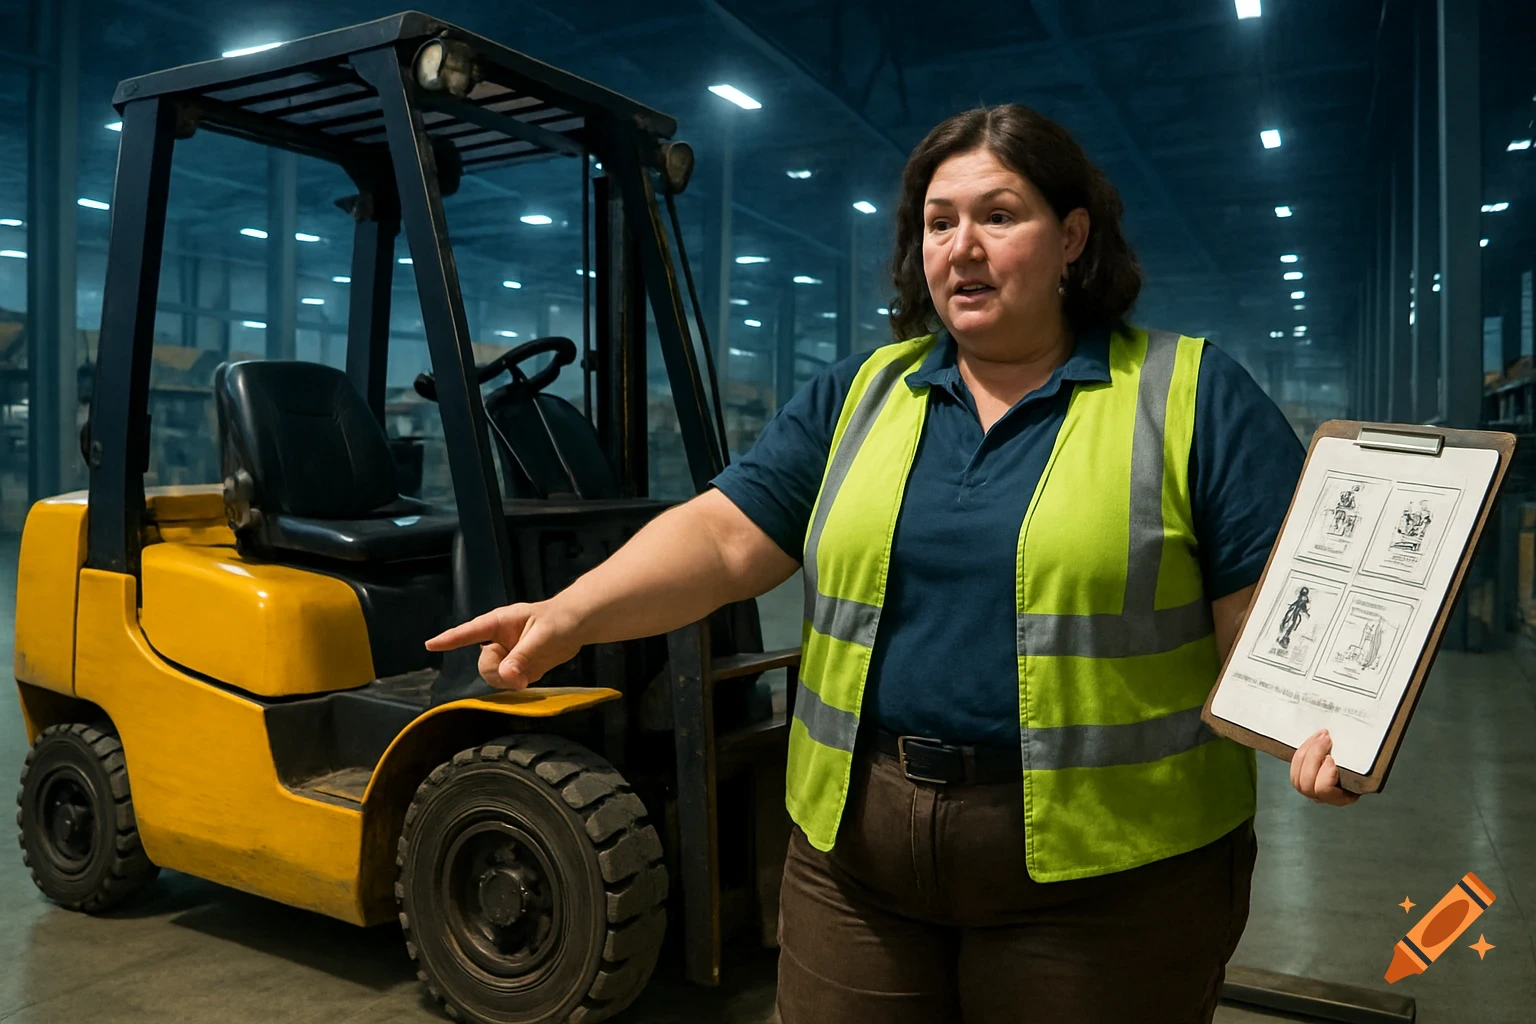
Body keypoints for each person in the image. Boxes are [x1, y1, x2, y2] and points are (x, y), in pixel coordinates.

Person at [428, 104, 1358, 1024]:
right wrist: (573, 610)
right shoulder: (863, 394)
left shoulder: (1187, 394)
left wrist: (1324, 718)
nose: (962, 246)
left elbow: (1272, 613)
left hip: (1114, 879)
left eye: (999, 215)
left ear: (1074, 236)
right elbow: (722, 536)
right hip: (857, 867)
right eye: (939, 222)